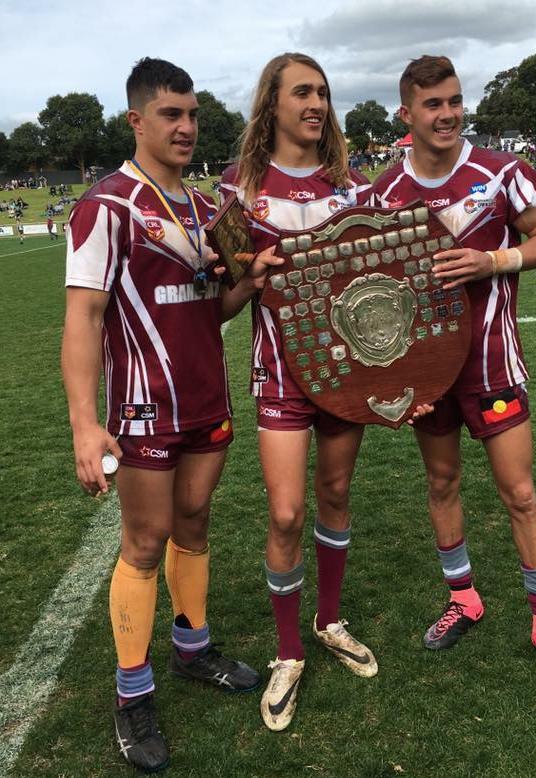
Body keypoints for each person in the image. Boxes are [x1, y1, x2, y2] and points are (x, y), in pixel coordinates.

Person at [62, 57, 281, 773]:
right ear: (136, 120)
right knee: (145, 541)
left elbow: (210, 306)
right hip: (143, 407)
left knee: (194, 525)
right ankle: (132, 694)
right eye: (171, 115)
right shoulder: (107, 206)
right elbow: (83, 317)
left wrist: (250, 280)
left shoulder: (207, 205)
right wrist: (84, 423)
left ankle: (193, 649)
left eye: (192, 115)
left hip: (206, 400)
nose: (186, 127)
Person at [221, 52, 432, 732]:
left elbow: (393, 294)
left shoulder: (356, 189)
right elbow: (219, 305)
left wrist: (407, 380)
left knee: (336, 495)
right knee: (285, 515)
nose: (316, 103)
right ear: (273, 104)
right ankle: (289, 653)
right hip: (280, 375)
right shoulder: (238, 191)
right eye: (302, 92)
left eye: (323, 92)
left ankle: (328, 619)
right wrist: (250, 278)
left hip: (345, 374)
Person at [372, 55, 536, 693]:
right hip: (428, 373)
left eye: (455, 101)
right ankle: (464, 598)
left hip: (491, 364)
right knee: (441, 482)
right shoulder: (384, 192)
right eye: (433, 104)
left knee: (519, 494)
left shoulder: (503, 172)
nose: (448, 114)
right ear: (406, 114)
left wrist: (493, 259)